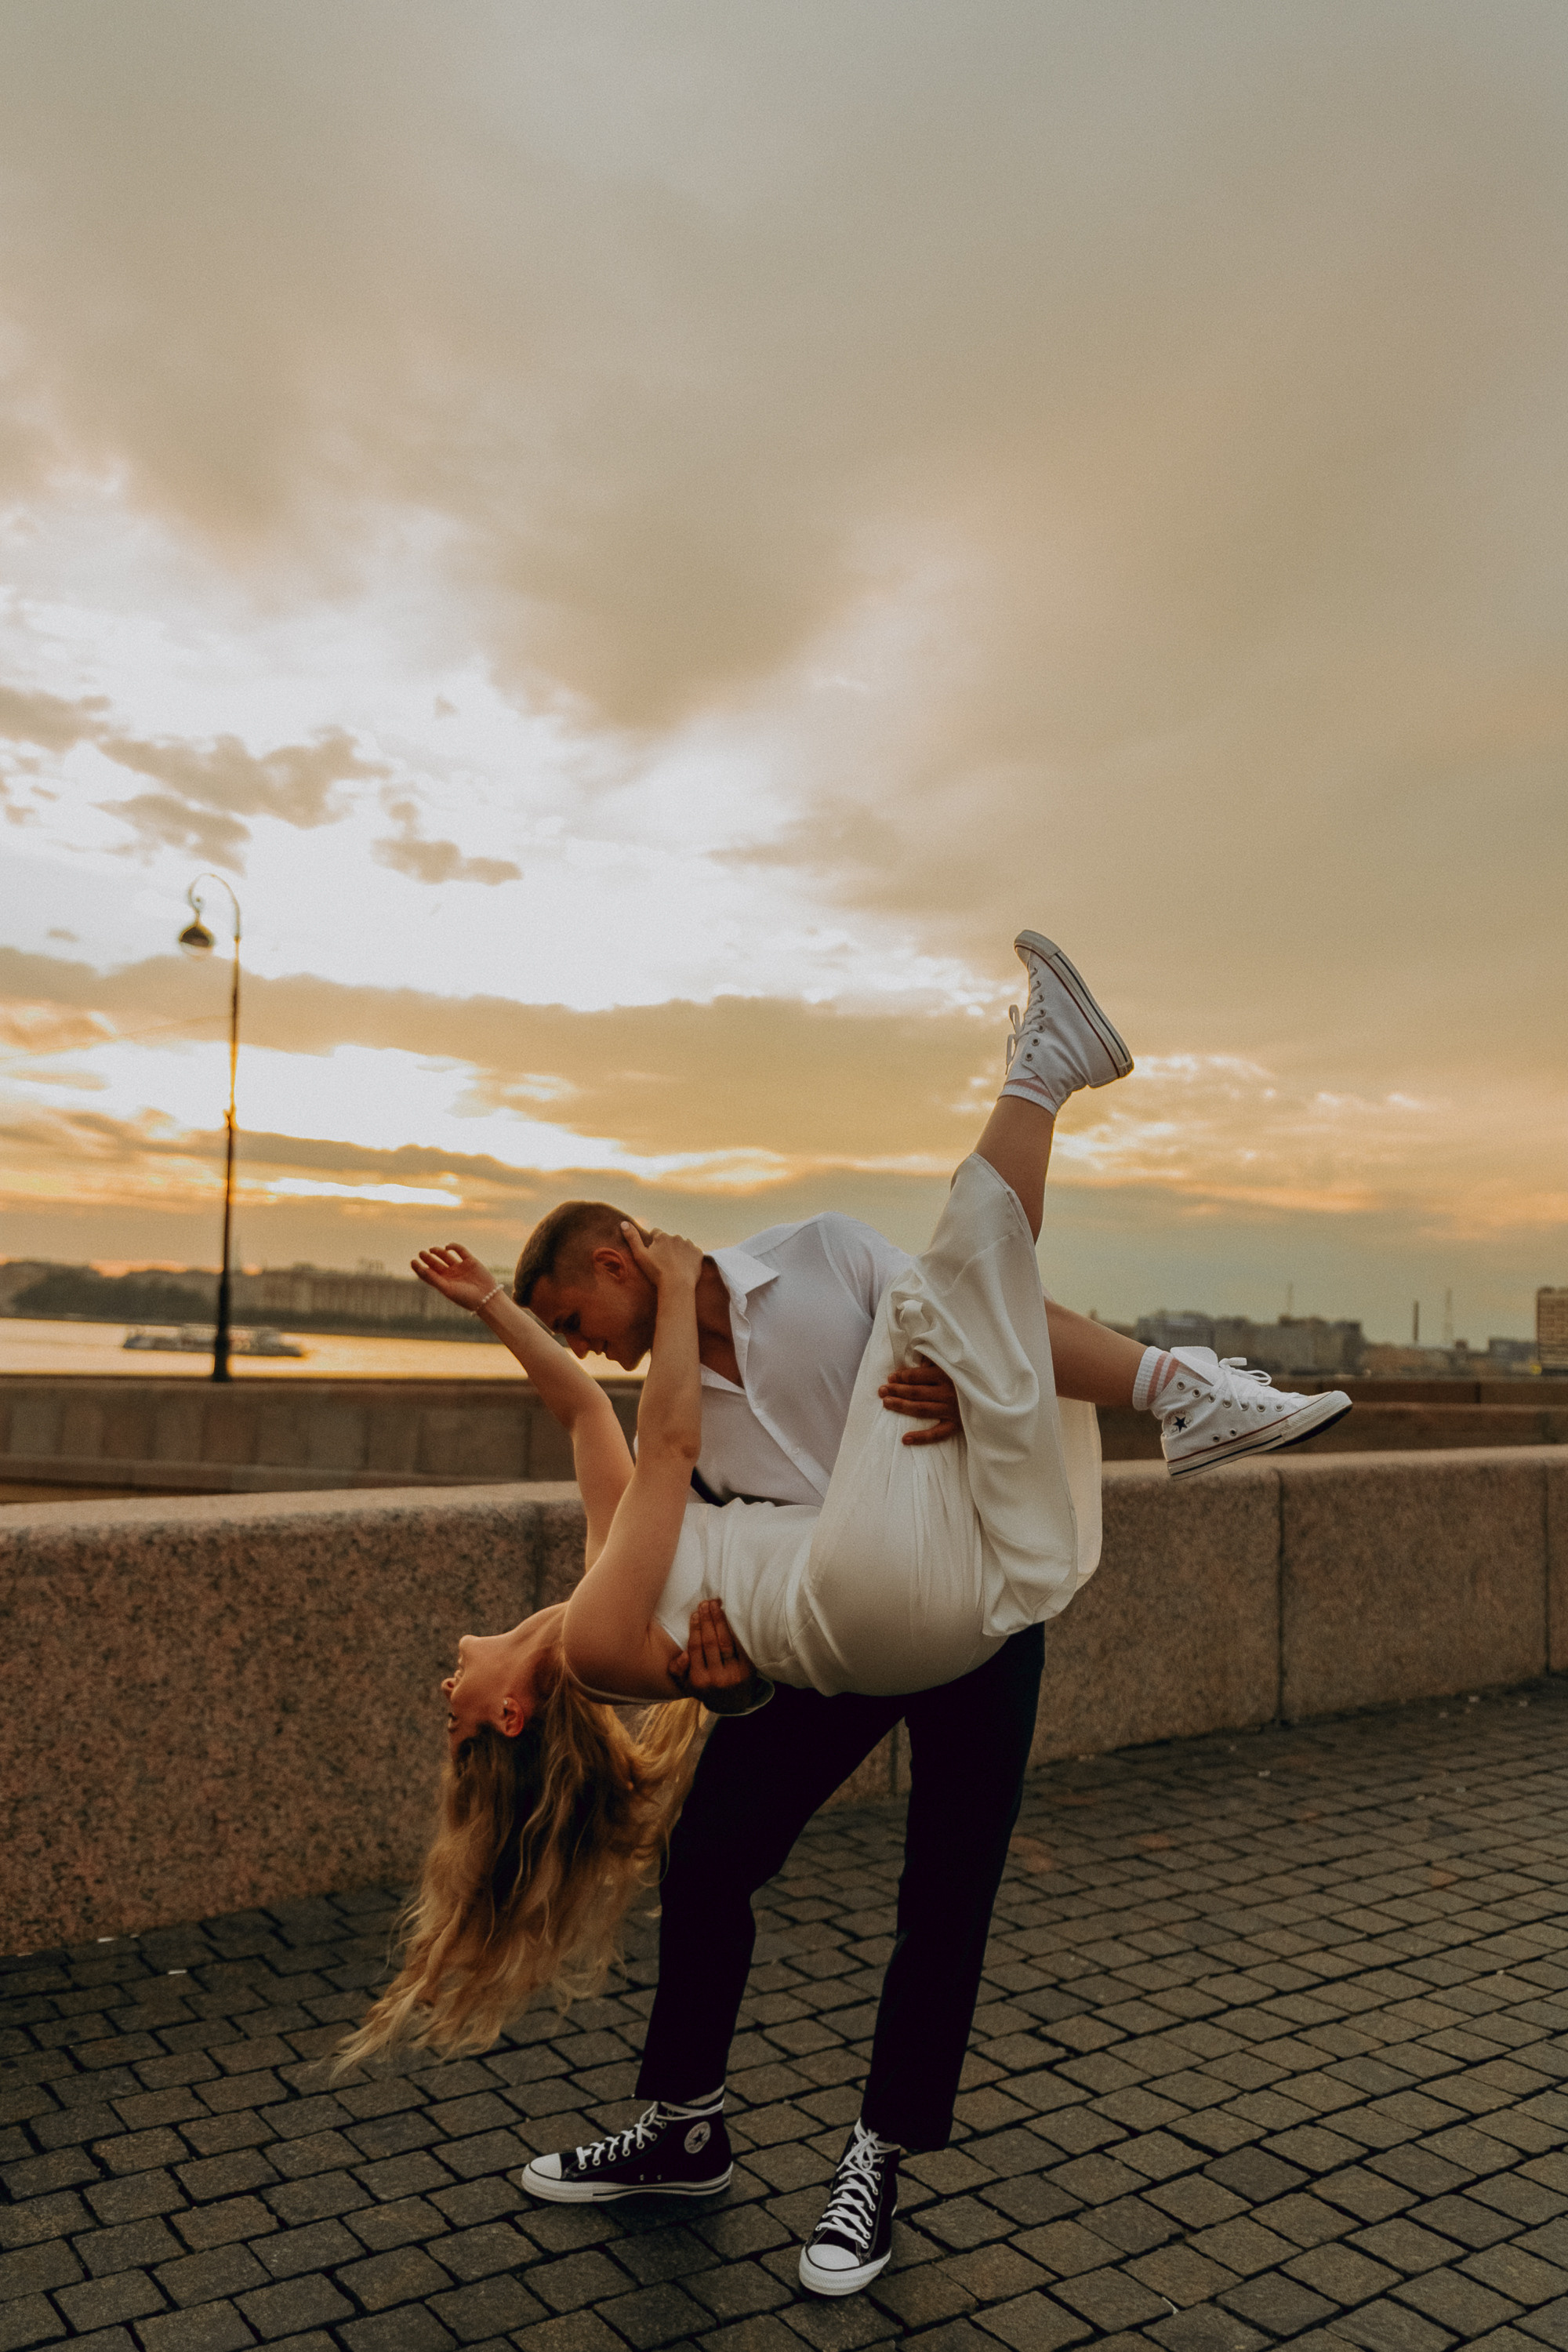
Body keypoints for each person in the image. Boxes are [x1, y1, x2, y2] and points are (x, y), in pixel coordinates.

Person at [340, 931, 1351, 2298]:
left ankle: (875, 2161)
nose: (590, 1346)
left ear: (621, 1254)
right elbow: (703, 1565)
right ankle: (683, 2129)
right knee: (709, 1868)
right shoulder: (662, 1430)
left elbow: (962, 1331)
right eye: (570, 1333)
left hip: (954, 1599)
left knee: (947, 1899)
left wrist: (981, 1396)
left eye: (583, 1311)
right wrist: (733, 1689)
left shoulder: (813, 1262)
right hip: (833, 1631)